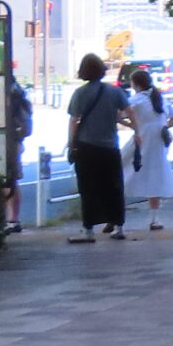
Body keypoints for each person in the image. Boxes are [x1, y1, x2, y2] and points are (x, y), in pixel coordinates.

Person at [65, 54, 130, 242]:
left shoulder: (79, 93)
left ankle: (89, 230)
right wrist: (137, 131)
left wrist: (71, 142)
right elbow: (129, 111)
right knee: (114, 187)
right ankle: (119, 227)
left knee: (88, 189)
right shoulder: (114, 92)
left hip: (86, 148)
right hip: (110, 147)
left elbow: (74, 120)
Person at [121, 65, 173, 232]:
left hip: (142, 138)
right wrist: (164, 127)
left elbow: (120, 114)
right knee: (155, 175)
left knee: (122, 168)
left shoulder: (136, 100)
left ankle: (115, 216)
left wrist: (133, 126)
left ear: (135, 84)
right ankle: (154, 219)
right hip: (159, 141)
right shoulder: (160, 98)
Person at [3, 80, 33, 235]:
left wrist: (16, 138)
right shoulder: (19, 97)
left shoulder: (16, 99)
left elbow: (26, 127)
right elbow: (26, 127)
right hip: (13, 143)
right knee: (11, 181)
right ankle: (12, 219)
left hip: (10, 144)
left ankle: (12, 219)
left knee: (10, 180)